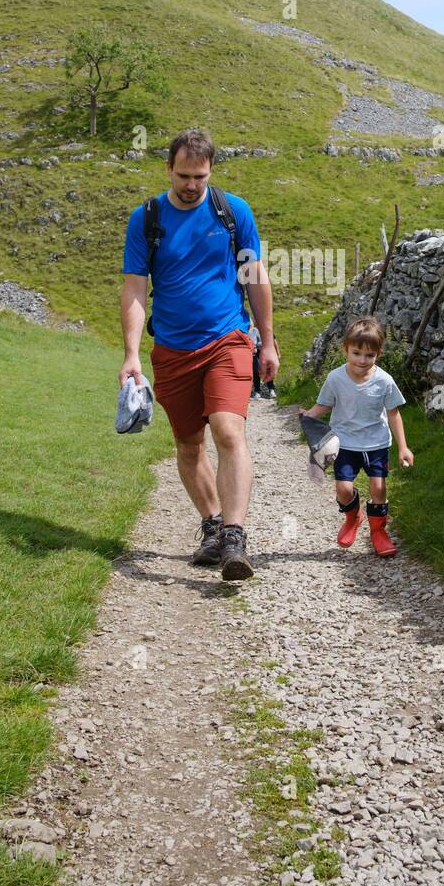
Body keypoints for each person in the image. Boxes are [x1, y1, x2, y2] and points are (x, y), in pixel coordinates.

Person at [119, 127, 279, 581]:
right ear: (168, 169)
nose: (192, 185)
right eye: (184, 175)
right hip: (171, 349)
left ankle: (234, 537)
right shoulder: (146, 219)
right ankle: (211, 525)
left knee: (229, 431)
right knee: (189, 445)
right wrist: (131, 354)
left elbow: (254, 277)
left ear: (211, 171)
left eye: (200, 177)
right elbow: (135, 289)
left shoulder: (233, 212)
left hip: (227, 338)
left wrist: (267, 340)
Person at [299, 316, 413, 557]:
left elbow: (394, 414)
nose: (362, 360)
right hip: (346, 443)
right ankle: (353, 517)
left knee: (379, 488)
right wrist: (308, 414)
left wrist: (403, 448)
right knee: (343, 488)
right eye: (356, 353)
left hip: (377, 443)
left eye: (369, 355)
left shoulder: (384, 381)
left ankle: (378, 532)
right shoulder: (335, 378)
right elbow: (324, 405)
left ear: (378, 354)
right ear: (346, 350)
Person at [249, 323, 276, 400]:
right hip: (256, 353)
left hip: (266, 352)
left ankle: (271, 390)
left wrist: (277, 353)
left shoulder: (267, 330)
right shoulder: (253, 331)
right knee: (256, 372)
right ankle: (257, 392)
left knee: (268, 370)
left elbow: (274, 341)